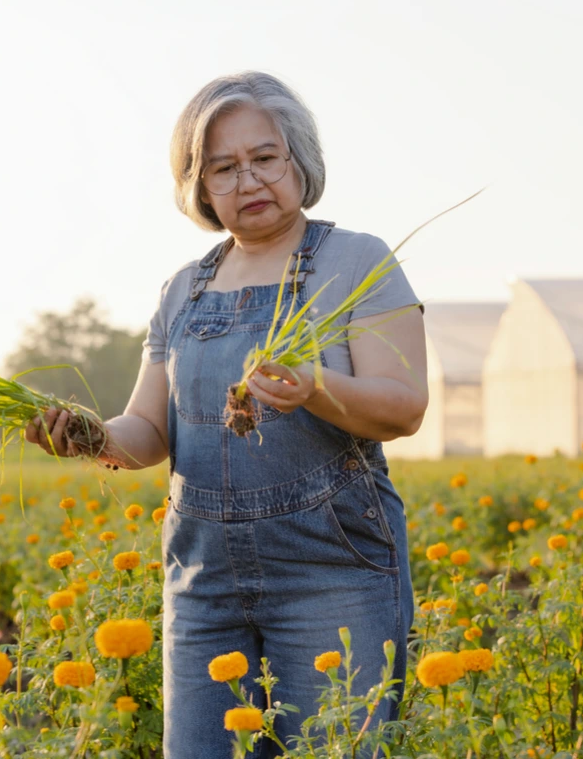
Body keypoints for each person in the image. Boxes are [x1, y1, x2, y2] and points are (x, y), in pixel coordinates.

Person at [26, 70, 428, 758]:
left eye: (264, 158)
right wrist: (88, 436)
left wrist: (314, 387)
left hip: (331, 572)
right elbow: (149, 431)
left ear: (298, 159)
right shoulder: (184, 289)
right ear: (200, 187)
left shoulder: (356, 260)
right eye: (223, 168)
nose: (248, 181)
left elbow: (404, 406)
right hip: (204, 583)